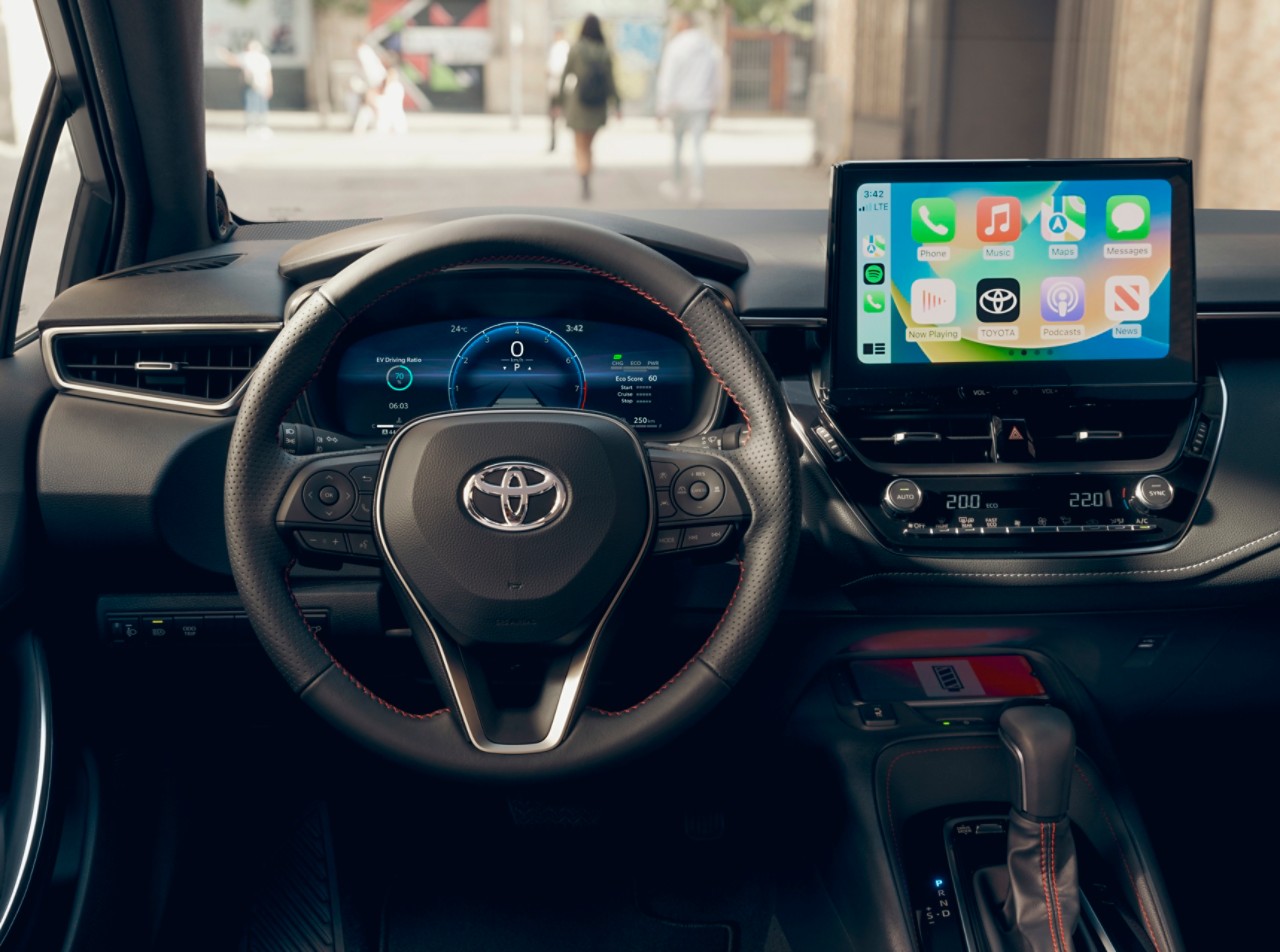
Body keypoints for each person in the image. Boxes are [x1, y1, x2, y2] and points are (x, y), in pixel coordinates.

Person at [655, 12, 722, 204]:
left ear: (683, 24)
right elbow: (716, 77)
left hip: (679, 103)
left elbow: (667, 78)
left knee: (678, 145)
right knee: (698, 146)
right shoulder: (709, 46)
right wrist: (713, 101)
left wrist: (662, 107)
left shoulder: (676, 46)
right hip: (701, 103)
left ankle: (676, 184)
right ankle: (697, 189)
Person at [557, 14, 621, 200]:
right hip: (598, 105)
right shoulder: (605, 52)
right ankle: (587, 173)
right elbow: (611, 81)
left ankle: (584, 176)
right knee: (589, 145)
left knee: (580, 145)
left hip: (579, 103)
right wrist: (617, 103)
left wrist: (559, 101)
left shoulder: (576, 49)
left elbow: (565, 76)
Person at [220, 40, 274, 137]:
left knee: (255, 105)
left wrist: (224, 54)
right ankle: (258, 126)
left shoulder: (250, 57)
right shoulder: (260, 58)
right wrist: (269, 86)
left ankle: (256, 126)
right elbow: (269, 74)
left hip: (257, 85)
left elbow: (233, 61)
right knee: (257, 105)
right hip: (257, 85)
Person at [546, 28, 570, 152]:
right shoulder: (556, 47)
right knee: (554, 116)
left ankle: (557, 142)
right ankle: (554, 142)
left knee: (559, 115)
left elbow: (558, 68)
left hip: (560, 86)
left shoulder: (562, 48)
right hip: (556, 86)